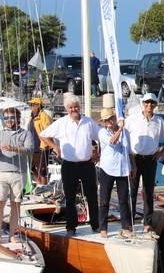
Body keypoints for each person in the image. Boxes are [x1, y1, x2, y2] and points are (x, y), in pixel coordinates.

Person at [39, 94, 101, 236]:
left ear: (79, 107)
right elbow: (43, 134)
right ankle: (71, 227)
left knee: (92, 196)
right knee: (70, 197)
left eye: (76, 107)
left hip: (87, 165)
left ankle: (96, 225)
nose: (74, 109)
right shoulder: (61, 123)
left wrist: (98, 152)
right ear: (67, 109)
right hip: (69, 165)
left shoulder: (88, 122)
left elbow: (101, 137)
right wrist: (55, 146)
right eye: (71, 107)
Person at [126, 93, 164, 234]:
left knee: (148, 192)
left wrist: (160, 153)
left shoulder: (159, 122)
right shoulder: (132, 120)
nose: (149, 106)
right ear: (142, 104)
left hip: (151, 159)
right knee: (132, 192)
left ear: (155, 105)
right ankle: (130, 223)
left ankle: (147, 223)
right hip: (135, 158)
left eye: (152, 103)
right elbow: (124, 139)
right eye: (146, 103)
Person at [0, 107, 34, 243]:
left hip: (19, 174)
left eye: (12, 118)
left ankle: (12, 235)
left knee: (16, 204)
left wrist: (13, 148)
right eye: (6, 118)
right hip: (1, 173)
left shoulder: (25, 133)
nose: (9, 120)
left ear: (18, 118)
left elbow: (30, 149)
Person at [98, 108, 133, 238]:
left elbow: (129, 151)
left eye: (111, 118)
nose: (109, 122)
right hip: (107, 169)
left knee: (123, 199)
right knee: (104, 199)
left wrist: (133, 166)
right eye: (106, 120)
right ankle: (103, 228)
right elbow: (112, 141)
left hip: (122, 169)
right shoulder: (102, 132)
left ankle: (126, 226)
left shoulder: (126, 132)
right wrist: (120, 129)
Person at [28, 97, 53, 185]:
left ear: (38, 105)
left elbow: (48, 132)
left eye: (32, 105)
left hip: (42, 147)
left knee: (42, 170)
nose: (31, 106)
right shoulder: (33, 116)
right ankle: (39, 183)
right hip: (33, 147)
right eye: (30, 105)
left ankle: (44, 186)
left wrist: (47, 144)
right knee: (31, 167)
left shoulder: (44, 116)